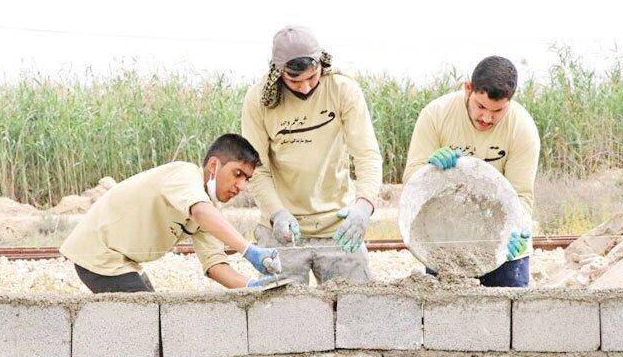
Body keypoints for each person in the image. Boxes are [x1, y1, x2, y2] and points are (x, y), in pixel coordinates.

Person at [241, 25, 383, 285]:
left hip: (337, 227)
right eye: (295, 81)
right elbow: (256, 169)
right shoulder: (257, 100)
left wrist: (363, 206)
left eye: (312, 77)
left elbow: (367, 155)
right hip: (283, 229)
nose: (305, 88)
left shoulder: (342, 89)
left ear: (321, 64)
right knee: (284, 317)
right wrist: (277, 213)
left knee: (358, 307)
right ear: (278, 72)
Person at [60, 134, 282, 292]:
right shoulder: (184, 175)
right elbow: (200, 211)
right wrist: (249, 250)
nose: (241, 186)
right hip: (99, 256)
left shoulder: (208, 211)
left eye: (247, 179)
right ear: (213, 165)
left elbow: (215, 265)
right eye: (237, 174)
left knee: (153, 314)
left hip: (124, 262)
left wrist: (252, 286)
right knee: (147, 322)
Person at [403, 56, 540, 287]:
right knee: (445, 321)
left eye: (498, 111)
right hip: (446, 244)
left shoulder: (522, 128)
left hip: (503, 247)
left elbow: (522, 196)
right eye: (481, 106)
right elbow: (411, 180)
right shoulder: (435, 115)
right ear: (468, 88)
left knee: (507, 319)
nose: (487, 118)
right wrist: (429, 169)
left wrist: (519, 228)